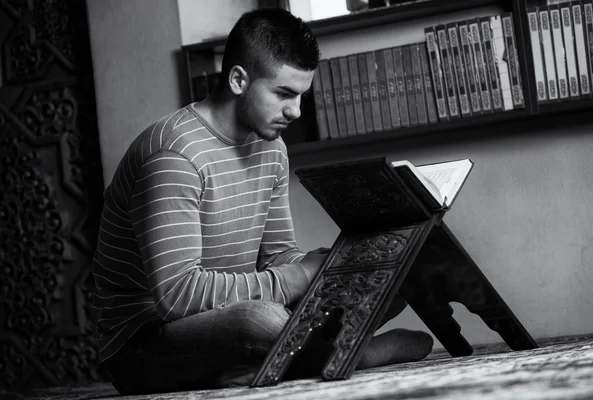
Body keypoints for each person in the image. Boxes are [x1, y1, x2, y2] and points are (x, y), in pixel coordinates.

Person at [93, 7, 433, 395]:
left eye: (301, 95)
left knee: (380, 279)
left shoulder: (272, 149)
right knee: (261, 321)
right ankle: (356, 353)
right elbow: (178, 296)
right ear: (239, 79)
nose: (296, 111)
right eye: (284, 94)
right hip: (144, 343)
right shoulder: (175, 157)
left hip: (219, 314)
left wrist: (334, 271)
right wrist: (299, 276)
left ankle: (261, 364)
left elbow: (275, 257)